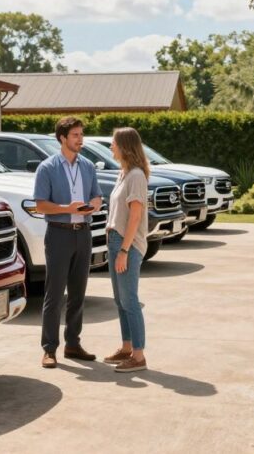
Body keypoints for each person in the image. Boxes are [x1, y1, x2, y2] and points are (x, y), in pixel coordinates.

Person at [33, 116, 103, 368]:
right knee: (54, 294)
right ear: (62, 138)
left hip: (83, 233)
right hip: (59, 233)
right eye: (75, 135)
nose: (80, 139)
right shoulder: (47, 168)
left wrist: (95, 204)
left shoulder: (87, 166)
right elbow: (40, 205)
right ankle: (49, 348)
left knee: (78, 292)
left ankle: (73, 344)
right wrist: (67, 207)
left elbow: (97, 195)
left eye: (81, 134)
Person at [102, 127, 150, 372]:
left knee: (129, 300)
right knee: (120, 300)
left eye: (113, 143)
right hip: (116, 241)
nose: (111, 147)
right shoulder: (124, 174)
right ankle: (126, 347)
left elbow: (135, 217)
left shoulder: (136, 177)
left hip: (126, 244)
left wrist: (123, 250)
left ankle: (139, 356)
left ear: (124, 146)